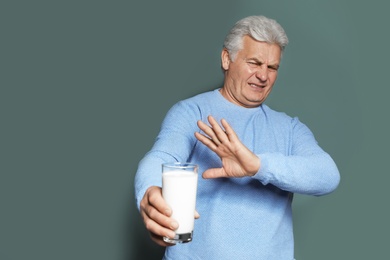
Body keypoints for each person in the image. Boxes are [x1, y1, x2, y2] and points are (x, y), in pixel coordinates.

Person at [134, 15, 340, 259]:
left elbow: (327, 175)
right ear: (226, 59)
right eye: (254, 62)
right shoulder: (192, 113)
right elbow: (161, 156)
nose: (263, 75)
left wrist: (257, 166)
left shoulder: (290, 128)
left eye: (272, 67)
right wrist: (148, 192)